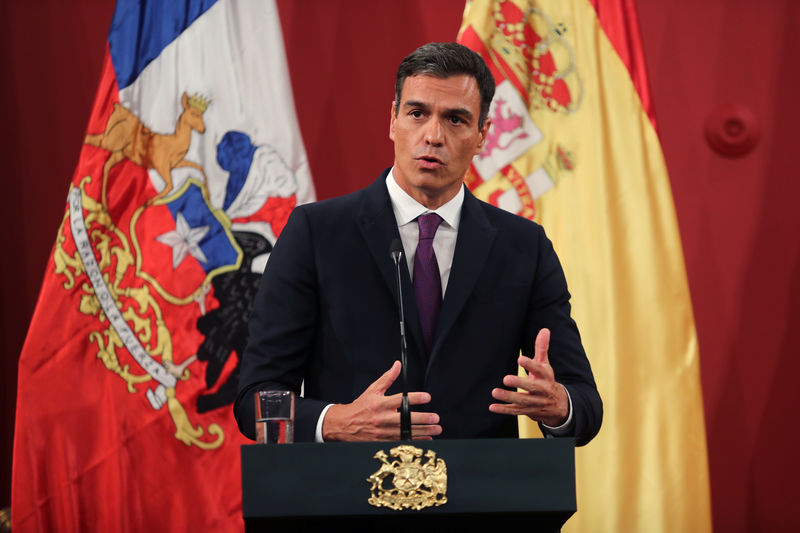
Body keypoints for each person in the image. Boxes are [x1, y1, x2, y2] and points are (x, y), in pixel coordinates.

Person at [234, 42, 602, 445]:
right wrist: (334, 422)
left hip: (481, 499)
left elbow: (585, 405)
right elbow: (256, 399)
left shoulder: (523, 247)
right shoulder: (316, 233)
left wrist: (559, 404)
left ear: (483, 136)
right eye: (417, 113)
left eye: (456, 120)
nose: (433, 136)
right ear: (393, 120)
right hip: (349, 496)